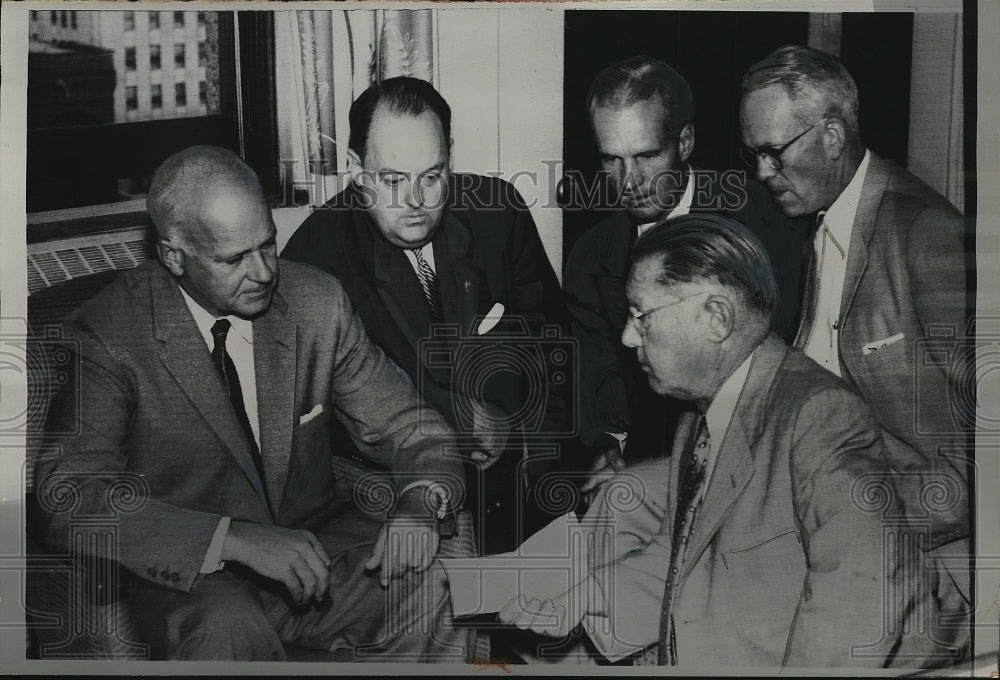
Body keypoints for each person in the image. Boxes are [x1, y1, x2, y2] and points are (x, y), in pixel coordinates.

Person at [33, 146, 471, 662]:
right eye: (234, 258)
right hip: (196, 576)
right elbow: (66, 498)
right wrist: (231, 539)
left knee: (422, 584)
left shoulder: (316, 304)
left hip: (317, 548)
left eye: (268, 245)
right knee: (228, 631)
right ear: (174, 256)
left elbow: (414, 427)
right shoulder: (109, 334)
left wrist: (421, 500)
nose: (264, 272)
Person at [501, 214, 910, 668]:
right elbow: (679, 558)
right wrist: (585, 596)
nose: (627, 335)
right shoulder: (698, 420)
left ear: (716, 317)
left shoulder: (819, 416)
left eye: (642, 315)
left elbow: (864, 593)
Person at [739, 45, 971, 662]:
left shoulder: (926, 234)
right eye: (753, 153)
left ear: (833, 135)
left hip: (915, 541)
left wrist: (858, 516)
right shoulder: (814, 226)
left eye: (774, 152)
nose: (763, 171)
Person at [282, 77, 573, 554]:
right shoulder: (315, 261)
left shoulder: (499, 213)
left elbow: (556, 350)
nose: (416, 201)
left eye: (432, 176)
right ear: (356, 169)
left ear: (449, 157)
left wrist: (523, 438)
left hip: (524, 482)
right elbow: (324, 425)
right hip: (403, 501)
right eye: (393, 180)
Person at [563, 56, 808, 500]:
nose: (628, 181)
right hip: (644, 472)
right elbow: (597, 376)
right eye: (611, 160)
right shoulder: (591, 254)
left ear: (686, 141)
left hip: (760, 461)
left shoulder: (762, 219)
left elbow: (782, 352)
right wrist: (608, 448)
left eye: (646, 155)